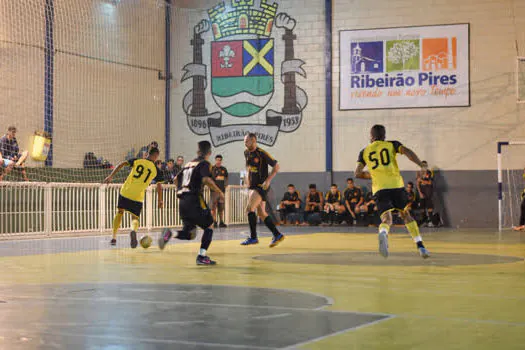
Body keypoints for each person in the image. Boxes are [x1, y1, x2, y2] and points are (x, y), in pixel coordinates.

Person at [355, 124, 430, 259]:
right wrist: (421, 165)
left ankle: (383, 232)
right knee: (406, 214)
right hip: (396, 185)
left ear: (371, 137)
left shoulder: (364, 151)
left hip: (379, 188)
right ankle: (421, 246)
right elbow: (408, 152)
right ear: (384, 136)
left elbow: (358, 173)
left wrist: (374, 174)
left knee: (386, 218)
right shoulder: (392, 144)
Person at [158, 141, 224, 265]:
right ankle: (202, 256)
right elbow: (206, 179)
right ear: (209, 153)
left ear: (198, 152)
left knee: (190, 233)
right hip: (194, 199)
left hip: (183, 201)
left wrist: (179, 190)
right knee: (209, 225)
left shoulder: (188, 164)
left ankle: (171, 233)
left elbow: (176, 179)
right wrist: (220, 192)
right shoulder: (205, 164)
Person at [104, 147, 164, 247]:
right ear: (156, 156)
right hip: (138, 196)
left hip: (126, 191)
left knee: (120, 212)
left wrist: (111, 176)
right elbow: (159, 186)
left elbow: (121, 164)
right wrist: (160, 200)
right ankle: (133, 230)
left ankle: (114, 238)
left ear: (148, 154)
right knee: (134, 218)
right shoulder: (156, 170)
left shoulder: (137, 160)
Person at [241, 133, 285, 247]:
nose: (245, 143)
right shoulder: (246, 153)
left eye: (247, 141)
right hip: (253, 186)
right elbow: (248, 167)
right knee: (261, 213)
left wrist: (268, 180)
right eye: (244, 141)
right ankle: (277, 234)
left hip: (261, 186)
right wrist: (247, 180)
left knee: (249, 209)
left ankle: (253, 237)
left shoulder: (261, 153)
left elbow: (276, 166)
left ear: (253, 141)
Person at [211, 154, 228, 228]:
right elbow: (209, 179)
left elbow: (226, 178)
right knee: (213, 207)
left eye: (220, 160)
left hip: (222, 192)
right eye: (217, 160)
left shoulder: (224, 169)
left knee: (221, 207)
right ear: (215, 160)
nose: (218, 161)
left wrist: (226, 185)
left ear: (221, 161)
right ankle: (214, 222)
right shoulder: (212, 168)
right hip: (214, 191)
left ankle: (221, 222)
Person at [417, 161, 435, 226]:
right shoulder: (419, 173)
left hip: (428, 193)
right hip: (422, 193)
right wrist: (420, 193)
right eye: (423, 165)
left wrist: (421, 180)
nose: (424, 166)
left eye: (425, 165)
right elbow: (417, 184)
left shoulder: (429, 172)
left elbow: (430, 182)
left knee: (429, 207)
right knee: (422, 208)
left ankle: (431, 221)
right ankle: (424, 220)